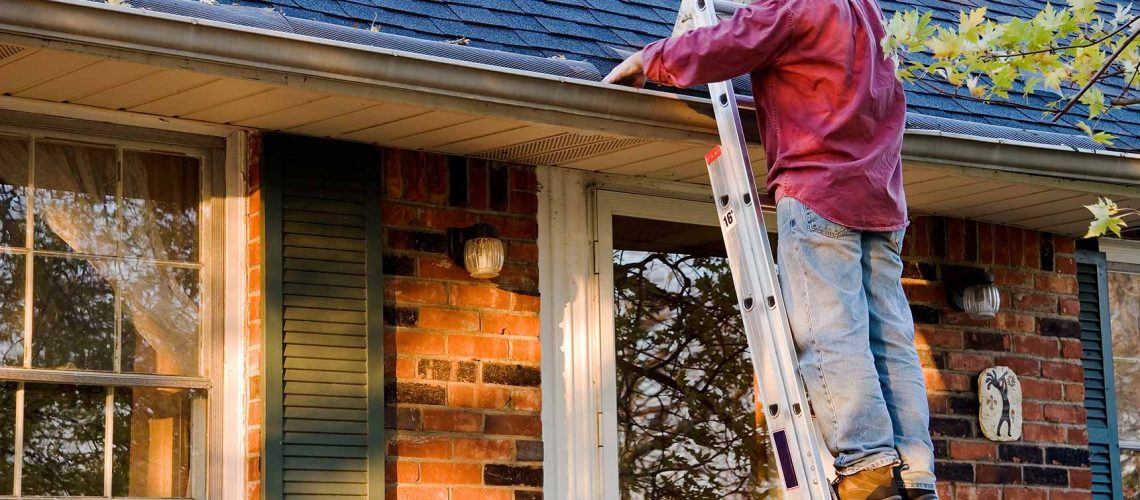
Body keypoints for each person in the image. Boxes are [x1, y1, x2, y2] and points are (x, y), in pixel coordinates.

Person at [603, 1, 936, 499]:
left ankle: (866, 464)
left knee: (830, 331)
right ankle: (914, 472)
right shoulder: (869, 14)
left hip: (820, 191)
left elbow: (732, 40)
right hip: (882, 199)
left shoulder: (798, 5)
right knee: (888, 338)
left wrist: (647, 60)